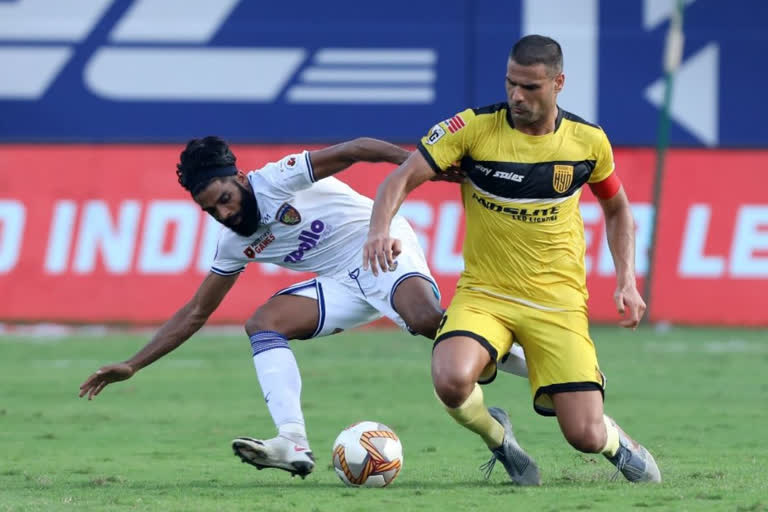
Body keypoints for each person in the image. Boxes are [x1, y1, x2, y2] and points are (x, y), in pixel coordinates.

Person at [77, 135, 530, 479]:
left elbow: (357, 148)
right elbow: (196, 312)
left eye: (226, 200)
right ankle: (292, 441)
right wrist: (133, 365)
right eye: (212, 211)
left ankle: (546, 372)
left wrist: (419, 164)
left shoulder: (278, 177)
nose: (225, 214)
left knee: (429, 321)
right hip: (341, 285)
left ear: (239, 178)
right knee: (263, 324)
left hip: (379, 245)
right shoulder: (235, 243)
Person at [363, 34, 661, 485]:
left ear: (559, 83)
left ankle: (615, 441)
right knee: (450, 379)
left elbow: (617, 207)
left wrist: (627, 280)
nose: (516, 96)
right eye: (510, 84)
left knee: (583, 434)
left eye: (530, 87)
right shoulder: (472, 129)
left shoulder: (588, 141)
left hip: (557, 301)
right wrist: (379, 229)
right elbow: (401, 178)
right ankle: (498, 436)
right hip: (486, 294)